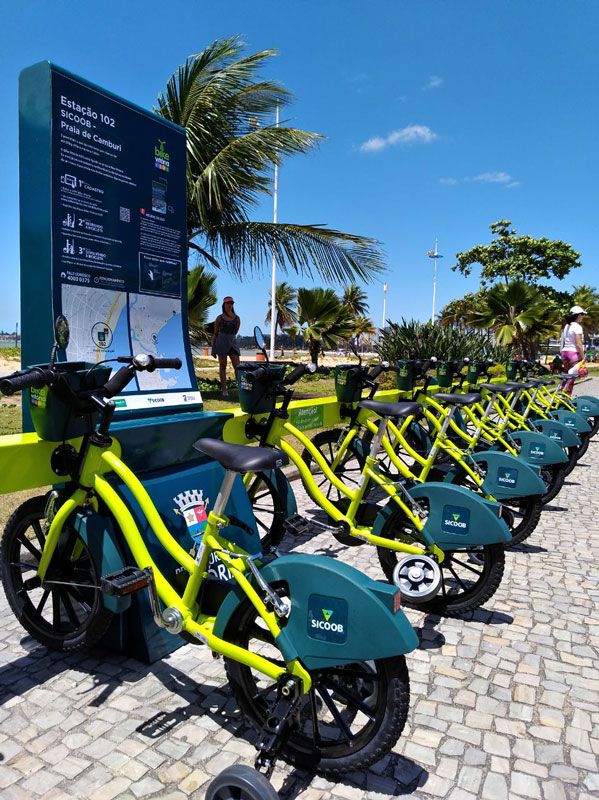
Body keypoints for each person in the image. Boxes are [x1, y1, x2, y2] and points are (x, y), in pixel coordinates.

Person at [211, 296, 241, 396]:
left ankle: (240, 388)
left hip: (233, 342)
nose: (229, 305)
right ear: (224, 305)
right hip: (221, 342)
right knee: (222, 366)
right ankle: (224, 390)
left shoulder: (237, 318)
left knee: (237, 367)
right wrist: (213, 348)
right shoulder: (219, 318)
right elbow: (215, 333)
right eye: (227, 303)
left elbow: (236, 331)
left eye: (231, 303)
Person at [559, 305, 586, 394]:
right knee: (572, 376)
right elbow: (578, 344)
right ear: (578, 315)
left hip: (564, 352)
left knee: (567, 375)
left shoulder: (567, 326)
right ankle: (566, 397)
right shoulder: (578, 327)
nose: (583, 317)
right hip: (573, 353)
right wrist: (583, 357)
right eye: (582, 315)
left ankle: (561, 394)